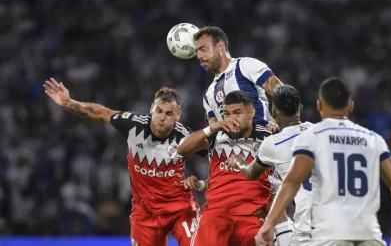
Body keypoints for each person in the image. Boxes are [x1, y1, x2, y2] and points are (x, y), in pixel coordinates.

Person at [43, 78, 200, 246]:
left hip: (179, 209)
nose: (162, 117)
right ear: (151, 109)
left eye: (169, 113)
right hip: (145, 213)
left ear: (178, 116)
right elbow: (101, 113)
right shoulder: (134, 125)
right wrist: (68, 103)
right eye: (159, 111)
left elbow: (217, 149)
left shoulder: (186, 136)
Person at [258, 77, 391, 246]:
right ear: (351, 105)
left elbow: (292, 181)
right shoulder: (373, 139)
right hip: (367, 233)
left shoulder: (313, 138)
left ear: (319, 106)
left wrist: (269, 222)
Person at [176, 91, 272, 246]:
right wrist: (211, 128)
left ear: (252, 112)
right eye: (226, 114)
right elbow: (181, 149)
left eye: (237, 113)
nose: (231, 119)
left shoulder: (268, 138)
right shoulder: (216, 136)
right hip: (216, 217)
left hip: (252, 218)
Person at [225, 85, 313, 246]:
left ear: (272, 113)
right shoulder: (320, 132)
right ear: (300, 108)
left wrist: (238, 161)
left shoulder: (272, 144)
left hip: (309, 227)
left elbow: (250, 173)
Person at [194, 26, 283, 131]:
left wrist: (283, 123)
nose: (198, 56)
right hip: (230, 146)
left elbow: (281, 93)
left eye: (203, 49)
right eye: (197, 51)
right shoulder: (207, 94)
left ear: (220, 46)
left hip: (262, 141)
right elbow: (214, 131)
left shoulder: (244, 65)